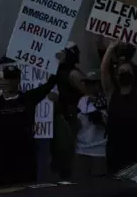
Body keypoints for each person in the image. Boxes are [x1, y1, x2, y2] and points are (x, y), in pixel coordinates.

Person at [0, 57, 57, 186]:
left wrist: (58, 64)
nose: (10, 82)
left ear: (18, 80)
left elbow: (49, 85)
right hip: (2, 152)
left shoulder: (28, 98)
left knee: (26, 185)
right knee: (5, 186)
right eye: (7, 79)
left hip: (24, 150)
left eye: (14, 79)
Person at [102, 33, 137, 173]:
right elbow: (103, 69)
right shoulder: (111, 93)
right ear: (116, 75)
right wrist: (111, 46)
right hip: (114, 151)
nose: (124, 72)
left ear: (134, 75)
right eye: (121, 71)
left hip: (136, 151)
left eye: (127, 70)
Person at [52, 42, 86, 179]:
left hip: (72, 117)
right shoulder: (62, 72)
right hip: (62, 116)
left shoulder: (74, 74)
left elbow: (89, 92)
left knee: (69, 151)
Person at [74, 70, 107, 180]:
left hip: (99, 150)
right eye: (86, 83)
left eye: (91, 83)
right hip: (82, 148)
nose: (87, 86)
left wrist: (100, 116)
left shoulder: (106, 100)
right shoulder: (82, 100)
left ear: (98, 84)